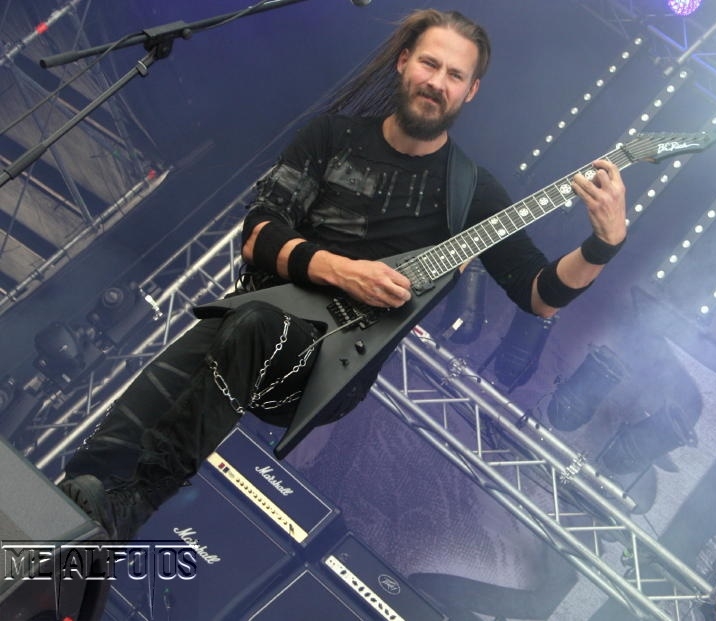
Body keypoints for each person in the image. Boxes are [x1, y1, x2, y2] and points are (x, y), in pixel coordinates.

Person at [58, 8, 627, 541]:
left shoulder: (471, 191)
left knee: (253, 325)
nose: (437, 82)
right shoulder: (331, 138)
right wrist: (347, 272)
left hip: (330, 365)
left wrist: (603, 245)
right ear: (403, 61)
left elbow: (538, 294)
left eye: (455, 75)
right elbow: (259, 236)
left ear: (470, 91)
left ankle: (138, 501)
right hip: (252, 320)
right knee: (165, 384)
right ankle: (70, 504)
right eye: (430, 64)